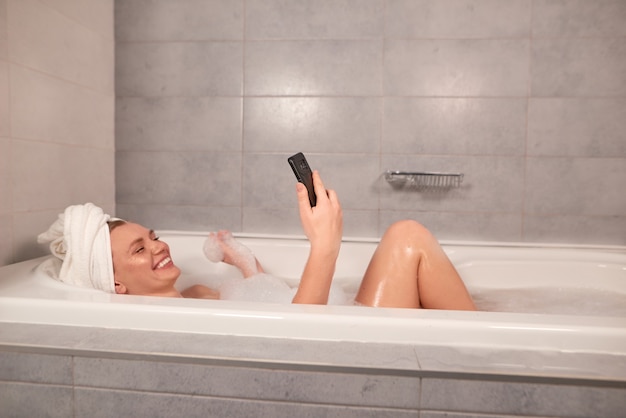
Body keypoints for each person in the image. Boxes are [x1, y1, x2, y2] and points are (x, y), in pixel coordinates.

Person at [38, 171, 476, 310]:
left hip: (339, 329)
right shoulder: (176, 323)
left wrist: (246, 264)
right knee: (406, 238)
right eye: (140, 249)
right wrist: (325, 245)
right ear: (117, 287)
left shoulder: (197, 294)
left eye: (152, 237)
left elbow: (271, 306)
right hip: (343, 344)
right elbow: (297, 343)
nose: (159, 246)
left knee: (408, 237)